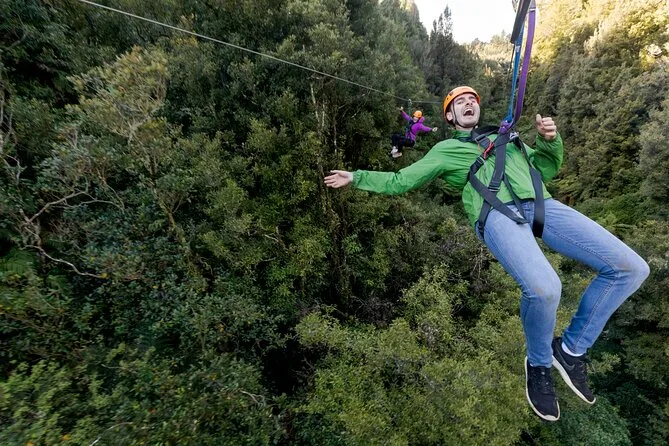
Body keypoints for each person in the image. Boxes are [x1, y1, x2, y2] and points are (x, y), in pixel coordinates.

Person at [324, 86, 649, 422]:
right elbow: (400, 180)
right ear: (450, 117)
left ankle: (571, 350)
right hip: (495, 213)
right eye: (459, 102)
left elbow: (544, 169)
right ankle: (539, 365)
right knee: (545, 289)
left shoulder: (507, 138)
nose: (468, 104)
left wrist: (550, 141)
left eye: (472, 101)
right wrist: (356, 177)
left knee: (632, 269)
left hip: (541, 205)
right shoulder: (446, 150)